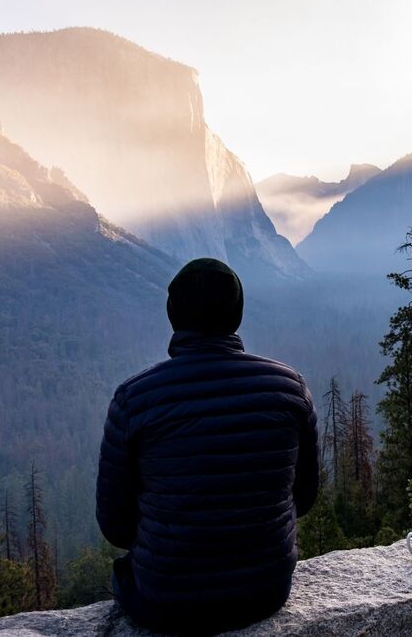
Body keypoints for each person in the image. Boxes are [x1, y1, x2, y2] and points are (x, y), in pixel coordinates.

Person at [96, 258, 319, 634]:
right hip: (265, 590)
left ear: (173, 315)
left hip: (166, 600)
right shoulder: (288, 388)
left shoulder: (134, 399)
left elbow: (115, 527)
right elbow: (306, 497)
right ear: (237, 313)